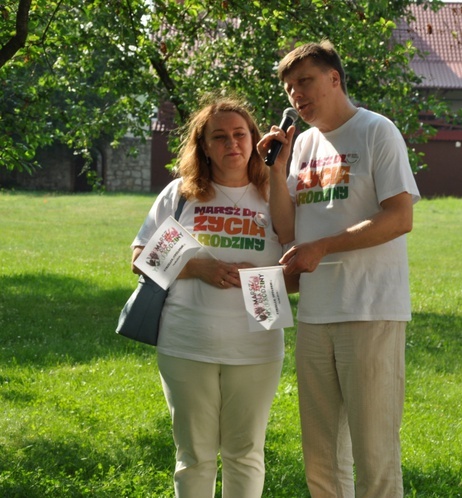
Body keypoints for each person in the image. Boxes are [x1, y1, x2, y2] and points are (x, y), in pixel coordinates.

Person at [257, 40, 421, 498]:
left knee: (374, 455)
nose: (296, 96)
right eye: (289, 89)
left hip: (370, 311)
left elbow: (400, 217)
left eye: (305, 82)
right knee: (322, 458)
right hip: (314, 315)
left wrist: (323, 247)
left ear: (334, 78)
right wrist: (276, 171)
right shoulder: (303, 145)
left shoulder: (376, 131)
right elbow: (287, 229)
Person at [131, 94, 294, 498]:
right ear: (203, 145)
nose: (231, 144)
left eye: (240, 134)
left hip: (257, 346)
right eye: (219, 137)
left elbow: (298, 270)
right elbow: (139, 258)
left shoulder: (274, 194)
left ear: (256, 140)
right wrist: (197, 268)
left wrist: (258, 275)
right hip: (187, 341)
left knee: (246, 453)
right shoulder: (182, 194)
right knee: (194, 456)